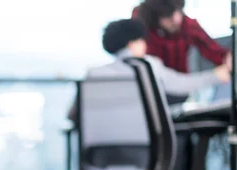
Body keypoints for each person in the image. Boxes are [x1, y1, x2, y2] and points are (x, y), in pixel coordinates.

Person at [67, 18, 230, 124]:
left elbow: (72, 115)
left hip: (98, 155)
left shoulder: (94, 75)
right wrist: (216, 75)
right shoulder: (147, 66)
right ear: (133, 43)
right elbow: (181, 84)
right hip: (143, 151)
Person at [132, 0, 230, 74]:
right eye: (168, 16)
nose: (176, 20)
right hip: (151, 84)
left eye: (178, 11)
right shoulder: (141, 22)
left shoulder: (188, 25)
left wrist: (228, 59)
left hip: (180, 87)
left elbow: (215, 52)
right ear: (155, 17)